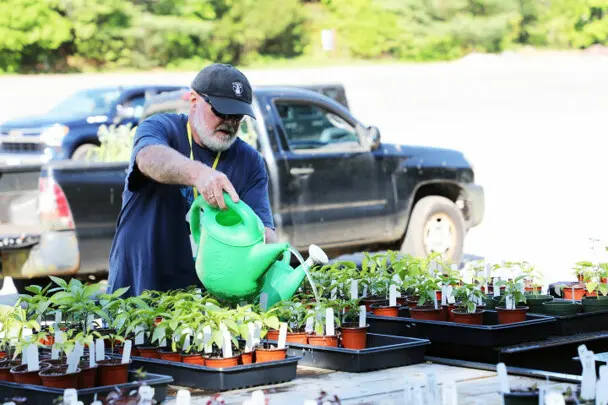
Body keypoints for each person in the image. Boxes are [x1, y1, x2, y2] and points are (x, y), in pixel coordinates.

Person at [107, 63, 276, 297]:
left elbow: (265, 233)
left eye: (237, 115)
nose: (229, 121)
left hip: (200, 303)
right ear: (194, 100)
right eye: (220, 111)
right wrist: (200, 175)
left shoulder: (250, 161)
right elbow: (148, 159)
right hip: (138, 290)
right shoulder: (162, 128)